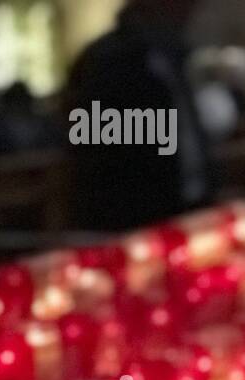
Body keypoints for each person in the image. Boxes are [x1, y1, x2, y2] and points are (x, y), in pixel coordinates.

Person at [66, 0, 214, 232]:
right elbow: (99, 155)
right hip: (139, 218)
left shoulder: (172, 54)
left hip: (187, 207)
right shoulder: (108, 61)